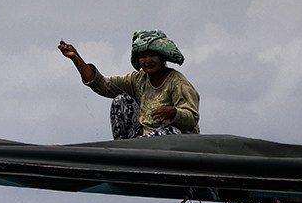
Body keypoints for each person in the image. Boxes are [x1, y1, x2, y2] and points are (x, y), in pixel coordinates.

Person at [58, 30, 200, 139]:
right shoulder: (137, 79)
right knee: (121, 101)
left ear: (162, 57)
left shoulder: (177, 82)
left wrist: (174, 112)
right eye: (143, 56)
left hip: (175, 144)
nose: (148, 60)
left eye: (153, 55)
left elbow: (192, 118)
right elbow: (102, 84)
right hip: (142, 142)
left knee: (170, 132)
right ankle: (124, 155)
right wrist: (76, 58)